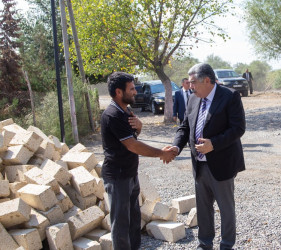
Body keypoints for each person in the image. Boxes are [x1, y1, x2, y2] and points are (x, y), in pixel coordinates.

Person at [166, 63, 246, 250]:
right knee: (203, 208)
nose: (189, 85)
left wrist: (214, 144)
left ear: (207, 80)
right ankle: (205, 243)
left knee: (226, 208)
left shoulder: (229, 96)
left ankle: (226, 244)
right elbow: (185, 127)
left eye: (193, 82)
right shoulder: (193, 99)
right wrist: (176, 146)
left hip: (222, 164)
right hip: (199, 165)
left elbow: (238, 128)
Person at [101, 72, 177, 250]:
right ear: (119, 92)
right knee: (120, 225)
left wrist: (140, 127)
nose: (136, 91)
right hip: (117, 178)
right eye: (132, 88)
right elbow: (132, 145)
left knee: (134, 221)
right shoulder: (112, 114)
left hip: (130, 174)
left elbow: (131, 138)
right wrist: (161, 153)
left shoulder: (126, 111)